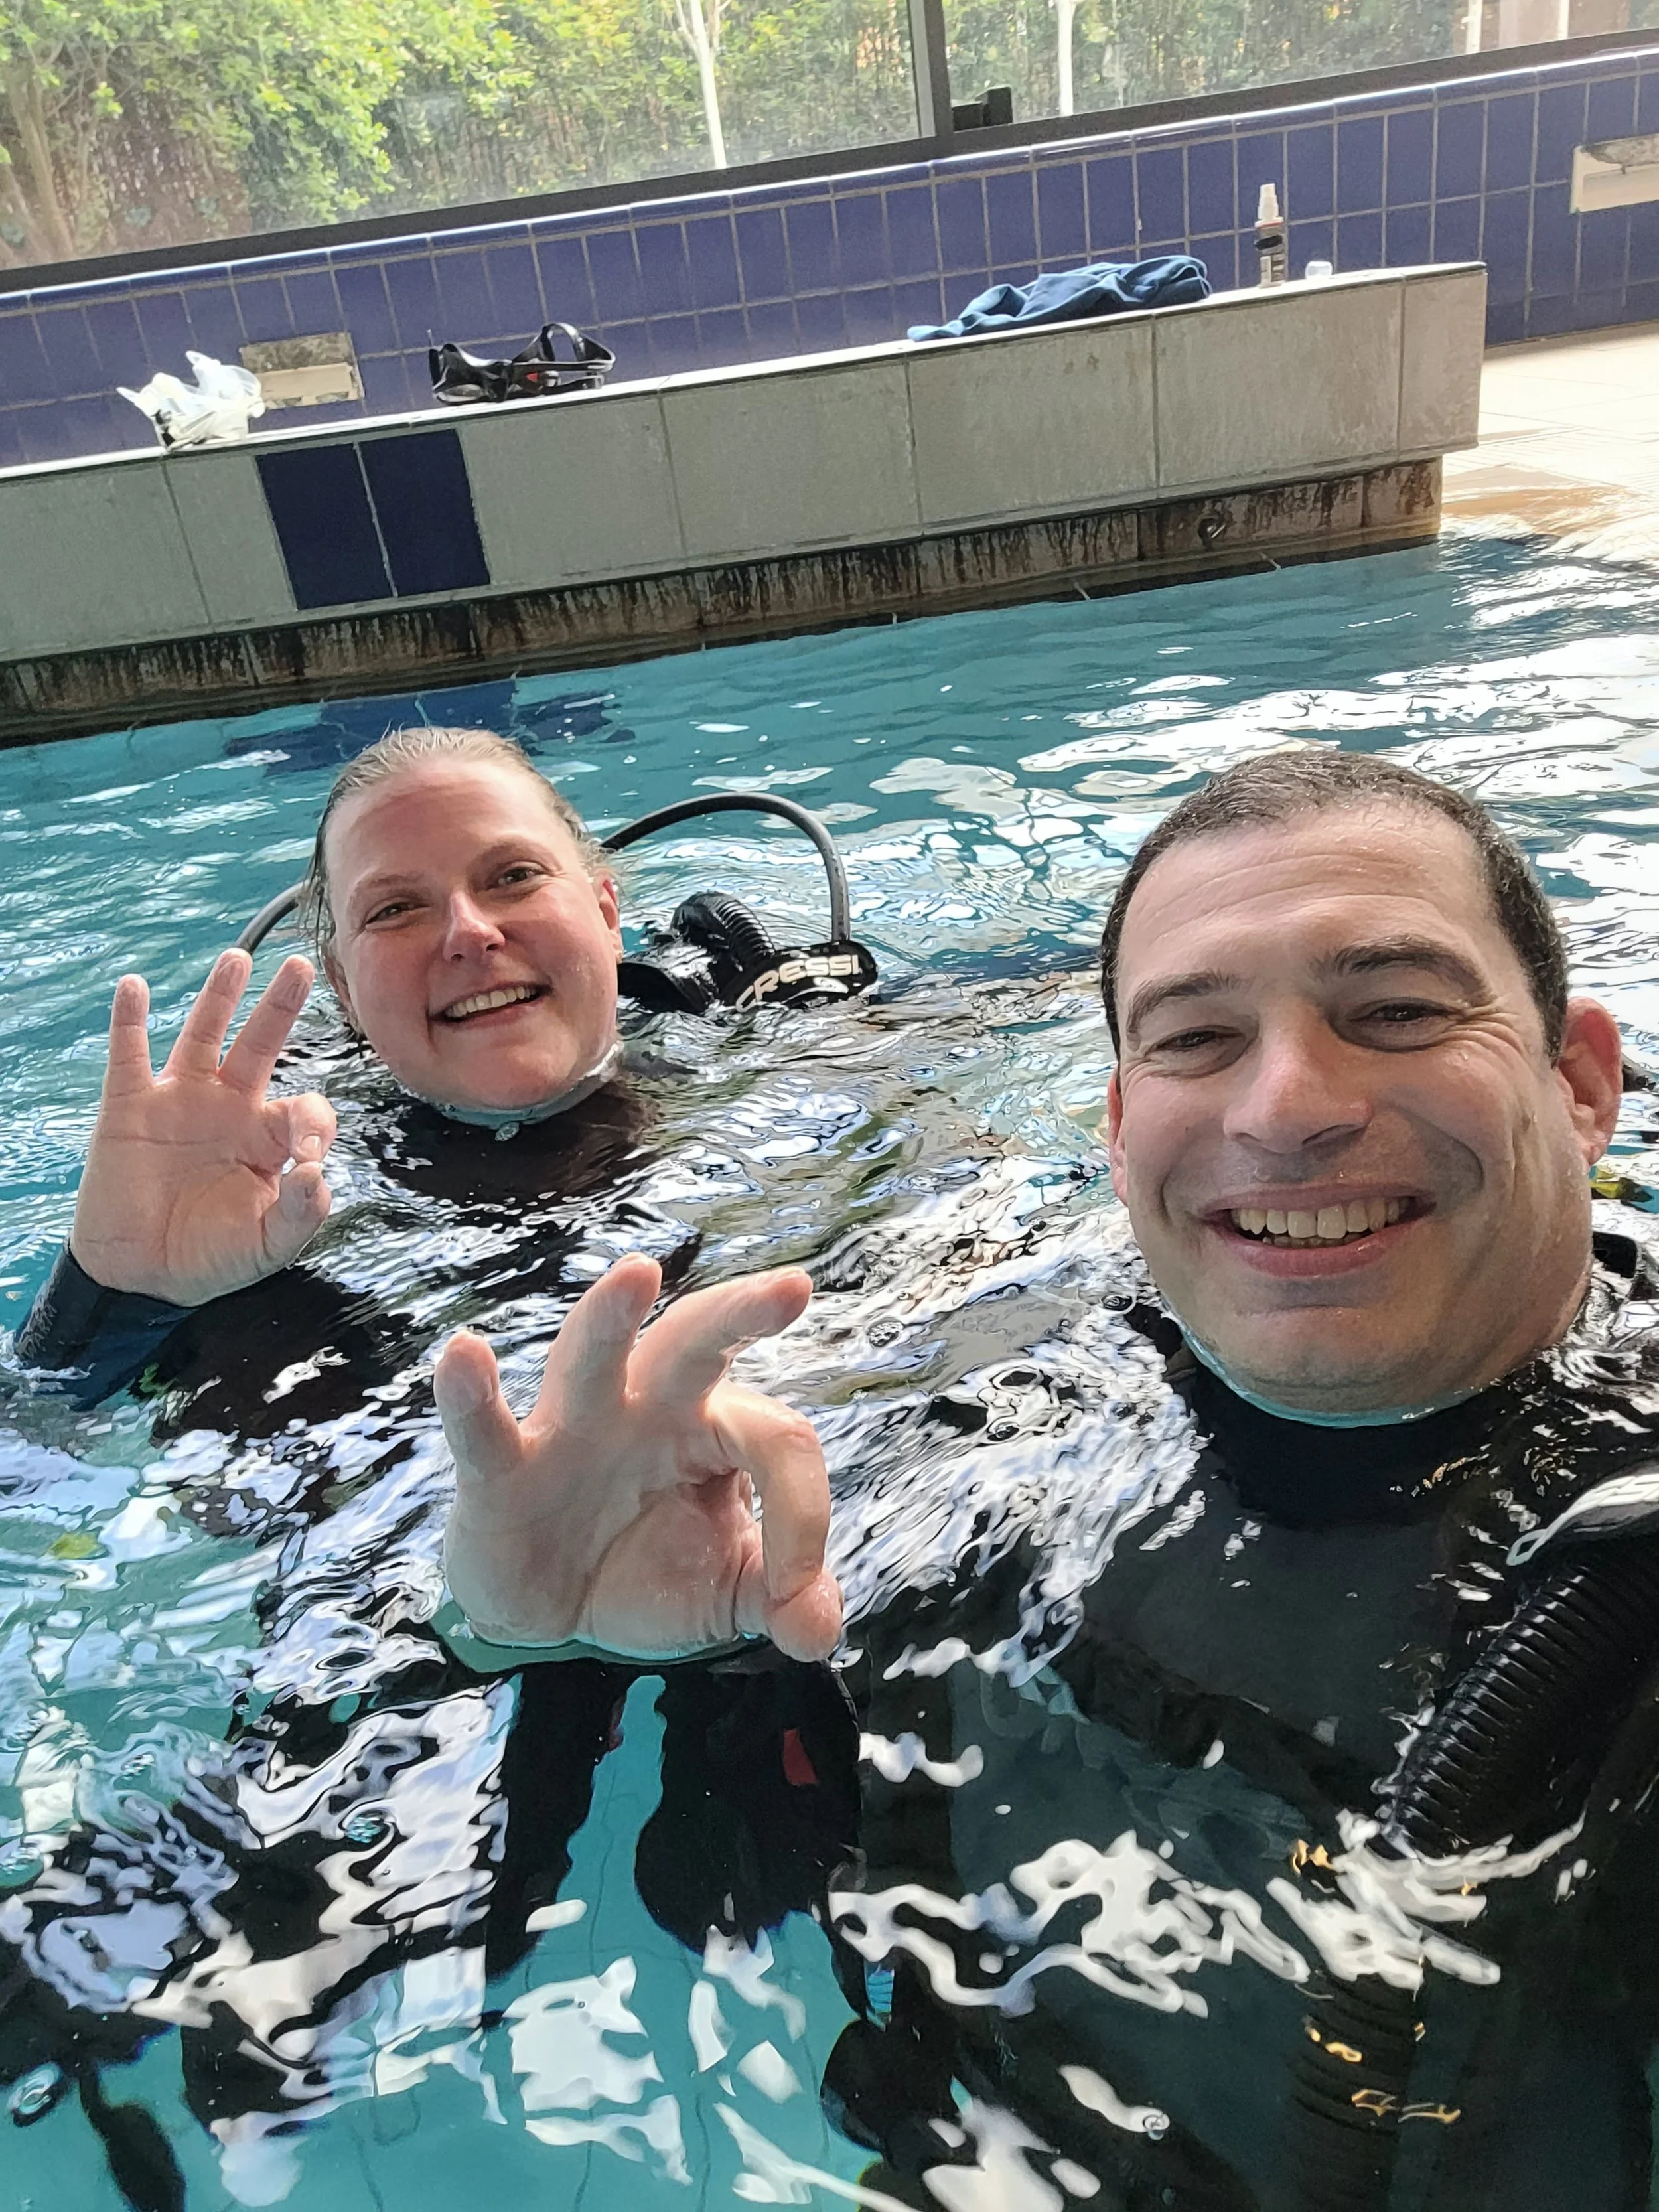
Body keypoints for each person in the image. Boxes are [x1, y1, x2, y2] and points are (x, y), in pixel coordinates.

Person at [431, 747, 1659, 2210]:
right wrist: (536, 1642)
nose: (1284, 1105)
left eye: (1392, 1010)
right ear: (1118, 1124)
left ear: (1579, 1081)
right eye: (1195, 1039)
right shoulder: (998, 1384)